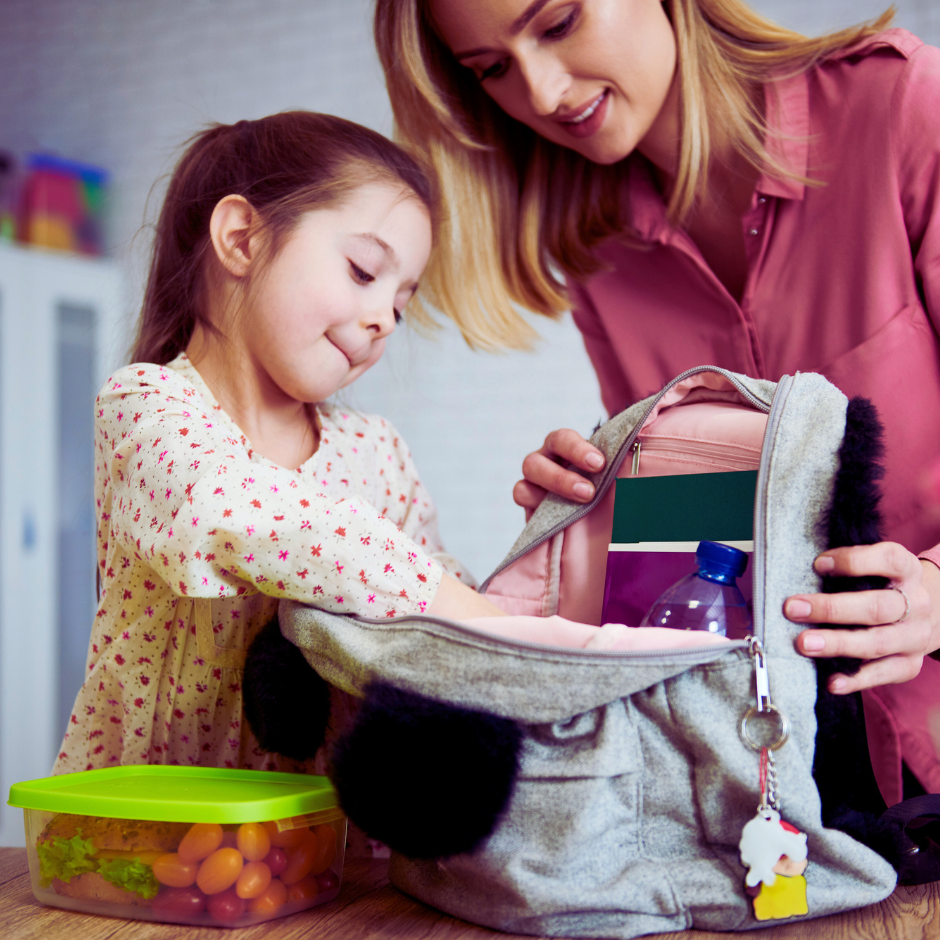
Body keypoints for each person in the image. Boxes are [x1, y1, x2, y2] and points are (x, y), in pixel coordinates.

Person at [373, 0, 940, 709]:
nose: (542, 94)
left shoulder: (901, 105)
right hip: (781, 752)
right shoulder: (596, 247)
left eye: (558, 24)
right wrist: (594, 515)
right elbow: (710, 549)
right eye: (492, 71)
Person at [54, 111, 505, 776]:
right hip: (151, 835)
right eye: (361, 271)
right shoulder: (147, 407)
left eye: (402, 303)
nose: (384, 319)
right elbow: (227, 510)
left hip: (322, 846)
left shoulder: (376, 452)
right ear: (241, 239)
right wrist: (442, 596)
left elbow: (438, 614)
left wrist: (521, 588)